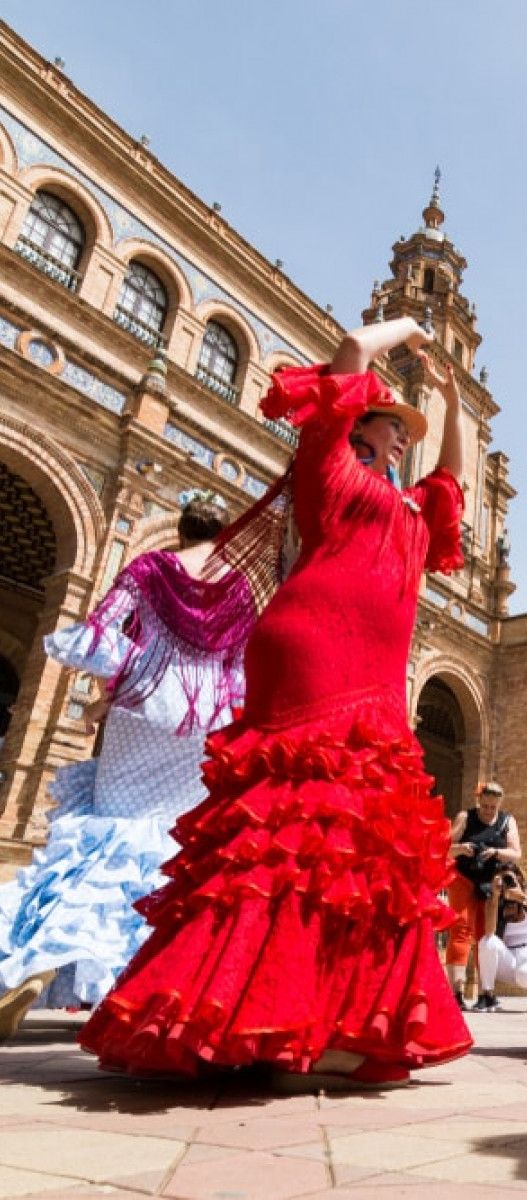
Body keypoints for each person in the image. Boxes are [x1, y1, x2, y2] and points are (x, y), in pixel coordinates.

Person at [80, 315, 473, 1088]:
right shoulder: (326, 469)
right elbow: (354, 352)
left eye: (404, 432)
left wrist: (455, 401)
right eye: (393, 425)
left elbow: (452, 480)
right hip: (312, 645)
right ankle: (222, 1009)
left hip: (377, 668)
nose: (402, 440)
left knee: (361, 837)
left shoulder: (412, 513)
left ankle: (321, 1014)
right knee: (289, 826)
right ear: (358, 421)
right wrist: (413, 331)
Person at [0, 496, 253, 1040]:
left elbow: (107, 629)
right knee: (169, 849)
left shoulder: (151, 568)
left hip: (143, 710)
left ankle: (39, 961)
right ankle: (133, 984)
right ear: (223, 533)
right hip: (201, 723)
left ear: (182, 530)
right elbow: (239, 669)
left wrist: (107, 698)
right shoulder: (238, 591)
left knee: (106, 837)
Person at [445, 781, 521, 1008]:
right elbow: (444, 846)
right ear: (479, 801)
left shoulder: (508, 821)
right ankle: (456, 993)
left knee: (485, 937)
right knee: (460, 929)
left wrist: (496, 852)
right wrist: (462, 848)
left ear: (499, 804)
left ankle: (485, 994)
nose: (488, 811)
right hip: (462, 878)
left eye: (492, 807)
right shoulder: (465, 817)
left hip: (489, 882)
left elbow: (516, 853)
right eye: (485, 806)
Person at [473, 866, 527, 1013]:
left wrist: (523, 899)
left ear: (519, 879)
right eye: (503, 879)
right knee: (486, 941)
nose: (506, 883)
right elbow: (490, 932)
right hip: (511, 957)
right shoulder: (494, 900)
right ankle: (488, 995)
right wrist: (495, 897)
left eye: (509, 878)